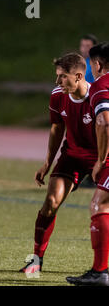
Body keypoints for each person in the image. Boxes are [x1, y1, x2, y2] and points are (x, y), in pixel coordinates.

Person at [19, 53, 95, 274]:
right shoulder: (57, 96)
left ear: (79, 76)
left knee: (102, 209)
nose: (57, 82)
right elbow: (56, 128)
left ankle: (100, 267)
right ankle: (36, 261)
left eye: (62, 77)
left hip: (102, 157)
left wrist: (102, 161)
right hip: (71, 156)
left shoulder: (99, 96)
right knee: (51, 202)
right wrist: (47, 163)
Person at [66, 42, 109, 286]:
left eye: (92, 63)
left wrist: (100, 160)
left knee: (99, 204)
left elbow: (104, 122)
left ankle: (100, 272)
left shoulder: (102, 85)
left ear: (98, 64)